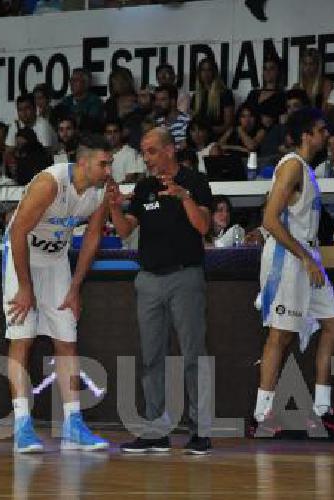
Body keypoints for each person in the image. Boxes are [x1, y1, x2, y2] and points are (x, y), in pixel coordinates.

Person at [2, 135, 115, 453]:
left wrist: (76, 286)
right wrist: (25, 287)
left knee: (67, 340)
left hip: (55, 261)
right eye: (103, 164)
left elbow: (92, 238)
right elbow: (18, 231)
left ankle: (73, 423)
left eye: (110, 164)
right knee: (22, 338)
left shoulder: (101, 191)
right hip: (21, 257)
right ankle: (22, 425)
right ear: (82, 163)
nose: (108, 170)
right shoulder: (50, 183)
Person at [107, 128, 214, 455]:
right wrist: (114, 207)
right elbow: (126, 230)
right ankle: (155, 431)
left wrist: (184, 198)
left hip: (185, 277)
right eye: (144, 151)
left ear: (170, 150)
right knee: (152, 357)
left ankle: (201, 432)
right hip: (149, 280)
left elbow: (204, 227)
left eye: (151, 151)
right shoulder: (144, 187)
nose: (147, 158)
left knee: (193, 354)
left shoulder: (195, 182)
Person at [251, 107, 334, 437]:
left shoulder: (306, 168)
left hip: (307, 254)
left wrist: (310, 256)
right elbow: (269, 220)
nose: (326, 136)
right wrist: (305, 257)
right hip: (289, 259)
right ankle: (261, 415)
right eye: (321, 131)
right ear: (306, 135)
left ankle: (322, 410)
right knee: (281, 335)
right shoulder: (291, 166)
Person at [189, 57, 235, 140]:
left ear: (214, 72)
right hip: (199, 140)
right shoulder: (196, 96)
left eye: (209, 70)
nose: (206, 74)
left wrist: (208, 131)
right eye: (203, 70)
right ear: (199, 73)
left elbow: (228, 125)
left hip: (218, 138)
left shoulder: (225, 94)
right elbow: (192, 122)